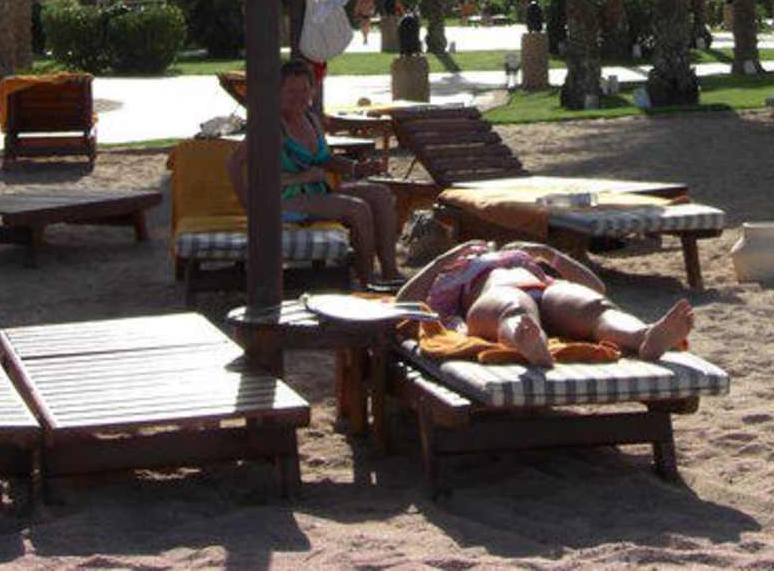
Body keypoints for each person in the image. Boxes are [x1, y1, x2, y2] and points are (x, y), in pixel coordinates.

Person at [398, 237, 693, 369]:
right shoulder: (452, 275)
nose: (485, 248)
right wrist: (441, 261)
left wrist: (547, 254)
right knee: (514, 308)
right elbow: (402, 302)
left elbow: (597, 287)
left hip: (545, 291)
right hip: (495, 296)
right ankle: (529, 343)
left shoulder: (524, 260)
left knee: (597, 307)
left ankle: (645, 336)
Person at [229, 58, 400, 284]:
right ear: (277, 92)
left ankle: (390, 274)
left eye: (304, 90)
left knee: (381, 195)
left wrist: (356, 168)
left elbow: (324, 159)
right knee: (357, 209)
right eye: (291, 91)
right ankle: (367, 282)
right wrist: (249, 205)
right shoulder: (269, 125)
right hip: (282, 199)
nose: (299, 96)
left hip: (315, 191)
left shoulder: (311, 120)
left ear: (313, 91)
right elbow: (234, 163)